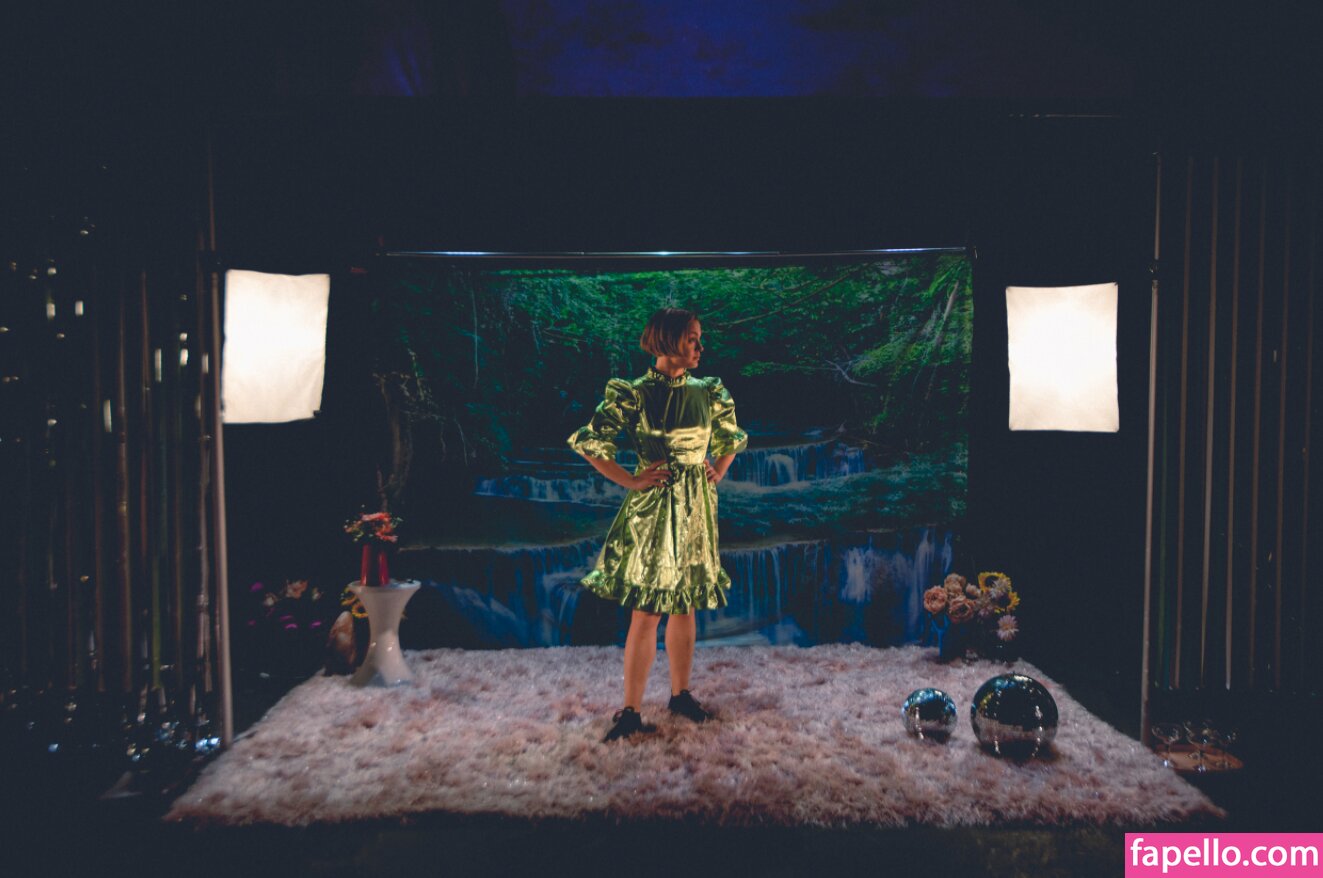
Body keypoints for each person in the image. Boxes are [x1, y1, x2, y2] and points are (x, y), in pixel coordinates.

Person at [567, 308, 748, 742]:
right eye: (692, 339)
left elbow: (732, 436)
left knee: (685, 604)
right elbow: (590, 442)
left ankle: (680, 696)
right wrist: (630, 480)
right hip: (654, 510)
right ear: (667, 340)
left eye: (699, 338)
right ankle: (630, 711)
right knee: (647, 609)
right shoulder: (634, 393)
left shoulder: (708, 390)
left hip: (696, 509)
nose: (700, 347)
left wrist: (718, 470)